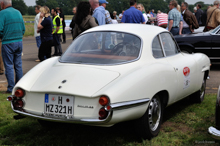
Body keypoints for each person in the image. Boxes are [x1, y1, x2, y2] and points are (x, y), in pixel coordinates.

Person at [0, 0, 25, 93]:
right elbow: (23, 28)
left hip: (8, 42)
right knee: (18, 65)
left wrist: (3, 36)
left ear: (2, 4)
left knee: (9, 65)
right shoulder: (18, 12)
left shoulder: (2, 13)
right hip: (19, 41)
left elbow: (0, 29)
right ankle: (20, 86)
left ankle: (11, 88)